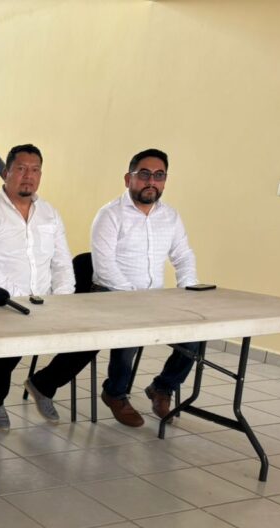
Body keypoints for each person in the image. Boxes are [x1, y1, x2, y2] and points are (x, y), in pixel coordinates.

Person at [0, 143, 95, 428]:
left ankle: (44, 384)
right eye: (21, 169)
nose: (28, 176)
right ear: (6, 172)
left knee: (90, 339)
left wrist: (63, 299)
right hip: (1, 303)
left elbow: (62, 261)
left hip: (46, 301)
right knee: (9, 342)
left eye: (35, 170)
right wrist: (23, 301)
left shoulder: (49, 213)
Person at [92, 148, 200, 427]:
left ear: (165, 181)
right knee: (131, 332)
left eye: (159, 176)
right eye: (144, 174)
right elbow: (104, 267)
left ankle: (163, 387)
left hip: (155, 298)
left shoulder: (170, 216)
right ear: (128, 179)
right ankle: (115, 392)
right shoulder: (110, 214)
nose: (151, 181)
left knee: (196, 333)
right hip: (113, 294)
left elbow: (183, 255)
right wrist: (135, 298)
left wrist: (188, 290)